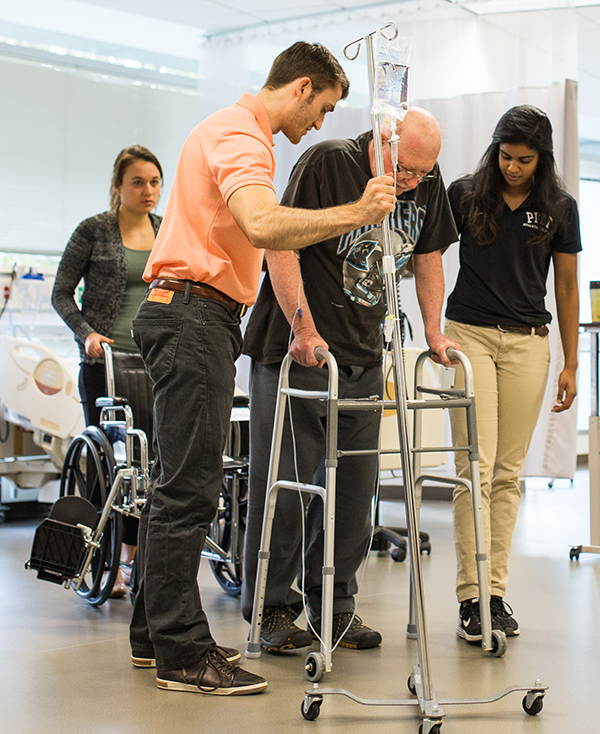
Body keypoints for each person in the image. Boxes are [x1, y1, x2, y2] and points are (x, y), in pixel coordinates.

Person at [128, 41, 396, 697]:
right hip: (196, 314)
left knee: (175, 484)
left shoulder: (232, 133)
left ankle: (152, 634)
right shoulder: (242, 136)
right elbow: (262, 223)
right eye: (325, 106)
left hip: (192, 312)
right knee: (191, 491)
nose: (322, 123)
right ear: (301, 88)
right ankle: (182, 654)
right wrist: (359, 213)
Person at [240, 107, 458, 654]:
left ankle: (334, 609)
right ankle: (271, 609)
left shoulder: (425, 183)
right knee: (286, 488)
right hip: (298, 350)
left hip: (363, 354)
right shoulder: (328, 163)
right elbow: (279, 243)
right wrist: (303, 327)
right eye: (403, 169)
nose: (410, 182)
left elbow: (428, 257)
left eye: (420, 175)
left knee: (353, 495)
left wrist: (434, 330)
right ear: (384, 140)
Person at [443, 104, 579, 644]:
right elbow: (428, 257)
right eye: (505, 156)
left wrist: (571, 361)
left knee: (507, 473)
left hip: (529, 344)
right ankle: (470, 596)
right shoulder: (465, 194)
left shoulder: (560, 208)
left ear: (541, 159)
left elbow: (566, 287)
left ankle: (494, 593)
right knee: (471, 466)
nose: (512, 167)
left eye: (524, 160)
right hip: (469, 335)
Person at [51, 144, 163, 599]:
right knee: (109, 467)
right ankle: (105, 560)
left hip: (155, 363)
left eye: (155, 181)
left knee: (146, 465)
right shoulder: (94, 230)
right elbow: (61, 293)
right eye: (138, 182)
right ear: (118, 186)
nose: (148, 190)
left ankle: (136, 560)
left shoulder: (166, 228)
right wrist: (87, 333)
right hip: (105, 366)